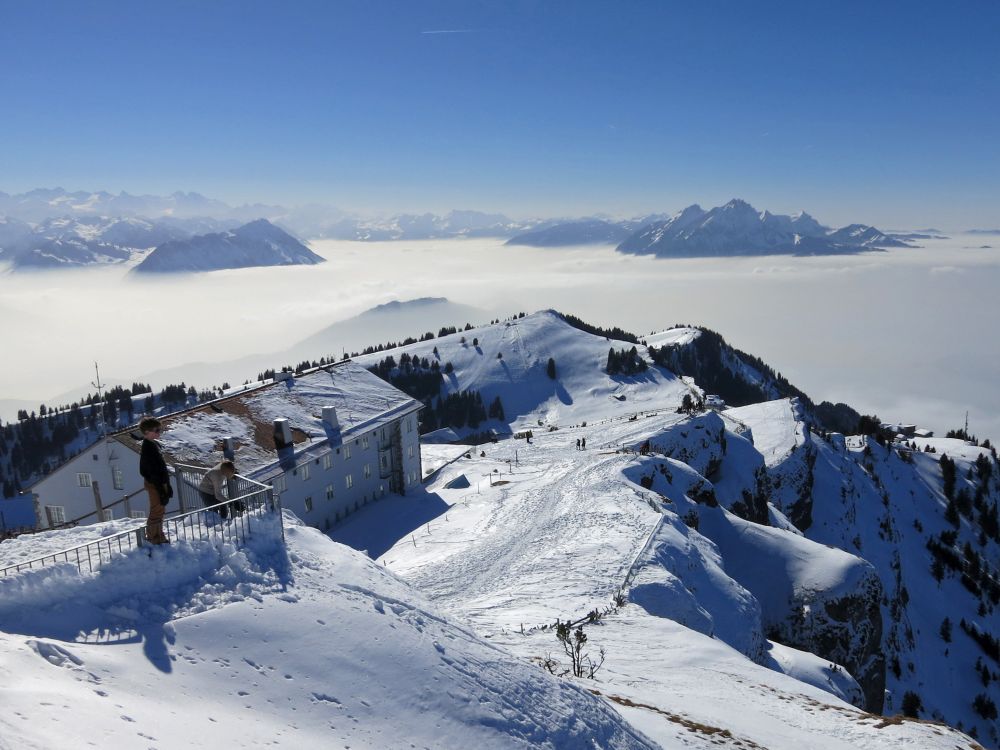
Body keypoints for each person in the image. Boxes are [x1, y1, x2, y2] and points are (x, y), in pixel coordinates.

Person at [139, 417, 171, 545]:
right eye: (156, 430)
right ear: (147, 431)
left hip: (158, 482)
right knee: (156, 510)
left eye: (160, 430)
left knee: (160, 509)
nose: (159, 432)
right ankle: (153, 538)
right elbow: (149, 471)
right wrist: (160, 487)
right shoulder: (147, 448)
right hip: (154, 483)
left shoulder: (152, 445)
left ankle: (159, 535)